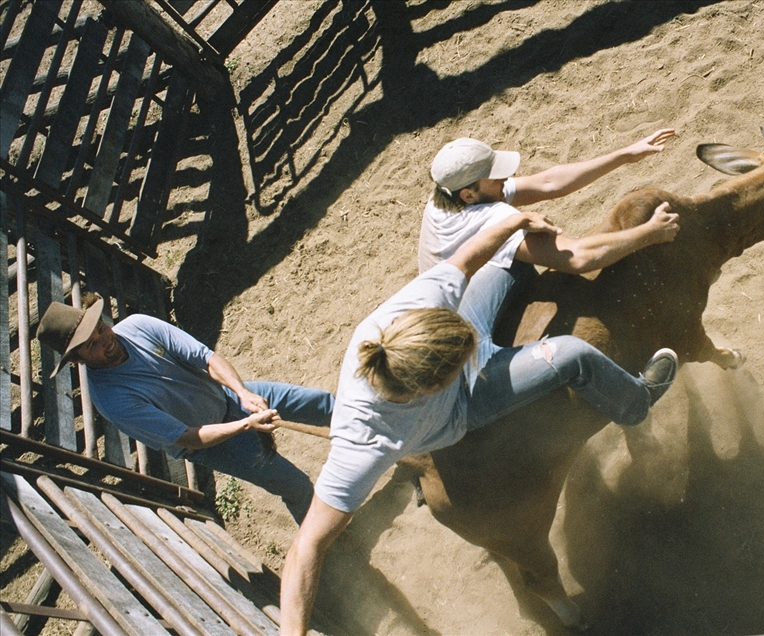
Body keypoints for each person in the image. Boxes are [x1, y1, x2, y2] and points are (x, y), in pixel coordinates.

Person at [280, 210, 679, 634]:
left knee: (508, 262)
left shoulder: (410, 310)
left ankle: (477, 330)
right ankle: (637, 402)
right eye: (461, 358)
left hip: (453, 334)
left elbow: (470, 257)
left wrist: (517, 222)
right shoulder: (367, 440)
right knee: (571, 354)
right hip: (464, 408)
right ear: (428, 386)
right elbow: (308, 547)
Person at [36, 297, 335, 524]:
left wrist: (243, 393)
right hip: (215, 441)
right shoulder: (112, 399)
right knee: (295, 485)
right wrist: (245, 425)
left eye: (101, 329)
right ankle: (329, 538)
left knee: (321, 403)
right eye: (92, 346)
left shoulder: (138, 326)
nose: (106, 342)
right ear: (78, 360)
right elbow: (188, 437)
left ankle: (380, 423)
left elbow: (205, 358)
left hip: (226, 396)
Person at [419, 128, 680, 276]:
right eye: (495, 176)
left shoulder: (447, 196)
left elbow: (549, 183)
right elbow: (578, 258)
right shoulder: (487, 217)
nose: (506, 177)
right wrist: (649, 233)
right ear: (469, 194)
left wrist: (624, 155)